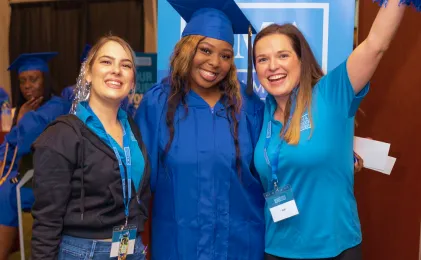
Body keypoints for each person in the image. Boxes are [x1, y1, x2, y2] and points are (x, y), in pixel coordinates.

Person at [252, 0, 409, 259]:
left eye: (283, 55)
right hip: (278, 249)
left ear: (301, 60)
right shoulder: (261, 113)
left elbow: (376, 45)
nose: (272, 66)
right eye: (262, 59)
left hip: (335, 249)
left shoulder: (330, 94)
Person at [134, 0, 266, 259]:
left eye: (226, 55)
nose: (215, 62)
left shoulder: (248, 106)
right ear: (186, 49)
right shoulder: (157, 104)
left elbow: (275, 162)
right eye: (205, 50)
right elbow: (138, 179)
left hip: (240, 246)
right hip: (180, 246)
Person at [31, 35, 150, 259]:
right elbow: (47, 221)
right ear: (87, 73)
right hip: (84, 253)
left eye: (126, 65)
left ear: (132, 80)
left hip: (129, 250)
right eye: (106, 62)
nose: (116, 70)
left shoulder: (132, 129)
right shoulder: (63, 135)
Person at [0, 52, 72, 260]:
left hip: (49, 181)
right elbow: (9, 148)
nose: (27, 86)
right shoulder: (29, 109)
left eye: (34, 79)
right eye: (22, 81)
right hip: (29, 174)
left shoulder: (55, 107)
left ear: (46, 80)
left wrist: (21, 119)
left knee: (6, 193)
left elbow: (20, 144)